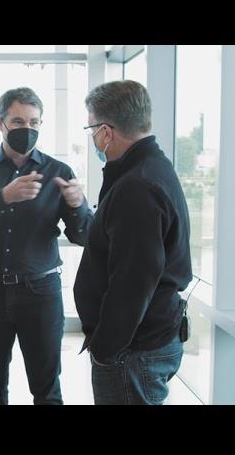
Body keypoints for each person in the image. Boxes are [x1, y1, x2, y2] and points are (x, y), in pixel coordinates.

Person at [0, 87, 92, 405]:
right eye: (18, 121)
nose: (27, 130)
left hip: (40, 293)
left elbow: (82, 235)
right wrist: (4, 197)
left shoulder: (59, 172)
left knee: (47, 388)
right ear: (0, 123)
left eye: (34, 122)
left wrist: (78, 205)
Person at [73, 80, 192, 405]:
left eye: (91, 128)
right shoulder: (151, 168)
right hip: (144, 341)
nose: (94, 138)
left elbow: (132, 283)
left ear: (106, 131)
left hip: (132, 351)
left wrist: (105, 349)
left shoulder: (137, 187)